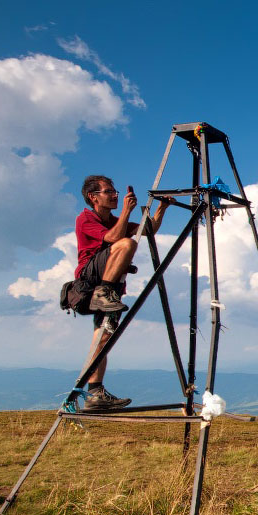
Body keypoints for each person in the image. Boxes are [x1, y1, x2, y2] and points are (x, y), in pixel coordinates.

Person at [75, 175, 171, 410]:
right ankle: (104, 292)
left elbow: (147, 230)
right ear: (93, 197)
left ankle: (95, 393)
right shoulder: (86, 218)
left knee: (104, 334)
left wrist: (162, 208)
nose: (115, 195)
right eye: (109, 191)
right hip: (91, 279)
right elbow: (113, 238)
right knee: (127, 244)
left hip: (112, 284)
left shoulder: (114, 220)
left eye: (114, 191)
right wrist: (127, 211)